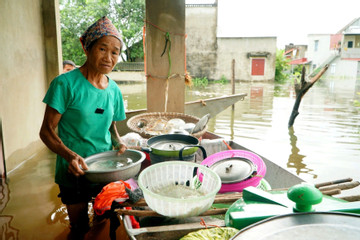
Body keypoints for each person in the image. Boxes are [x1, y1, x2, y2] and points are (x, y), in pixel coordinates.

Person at [39, 16, 127, 238]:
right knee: (79, 228)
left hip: (105, 168)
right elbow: (46, 131)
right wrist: (70, 156)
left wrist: (118, 141)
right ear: (88, 49)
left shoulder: (114, 90)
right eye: (102, 49)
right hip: (74, 169)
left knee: (102, 221)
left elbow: (110, 126)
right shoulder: (65, 84)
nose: (109, 57)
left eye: (115, 52)